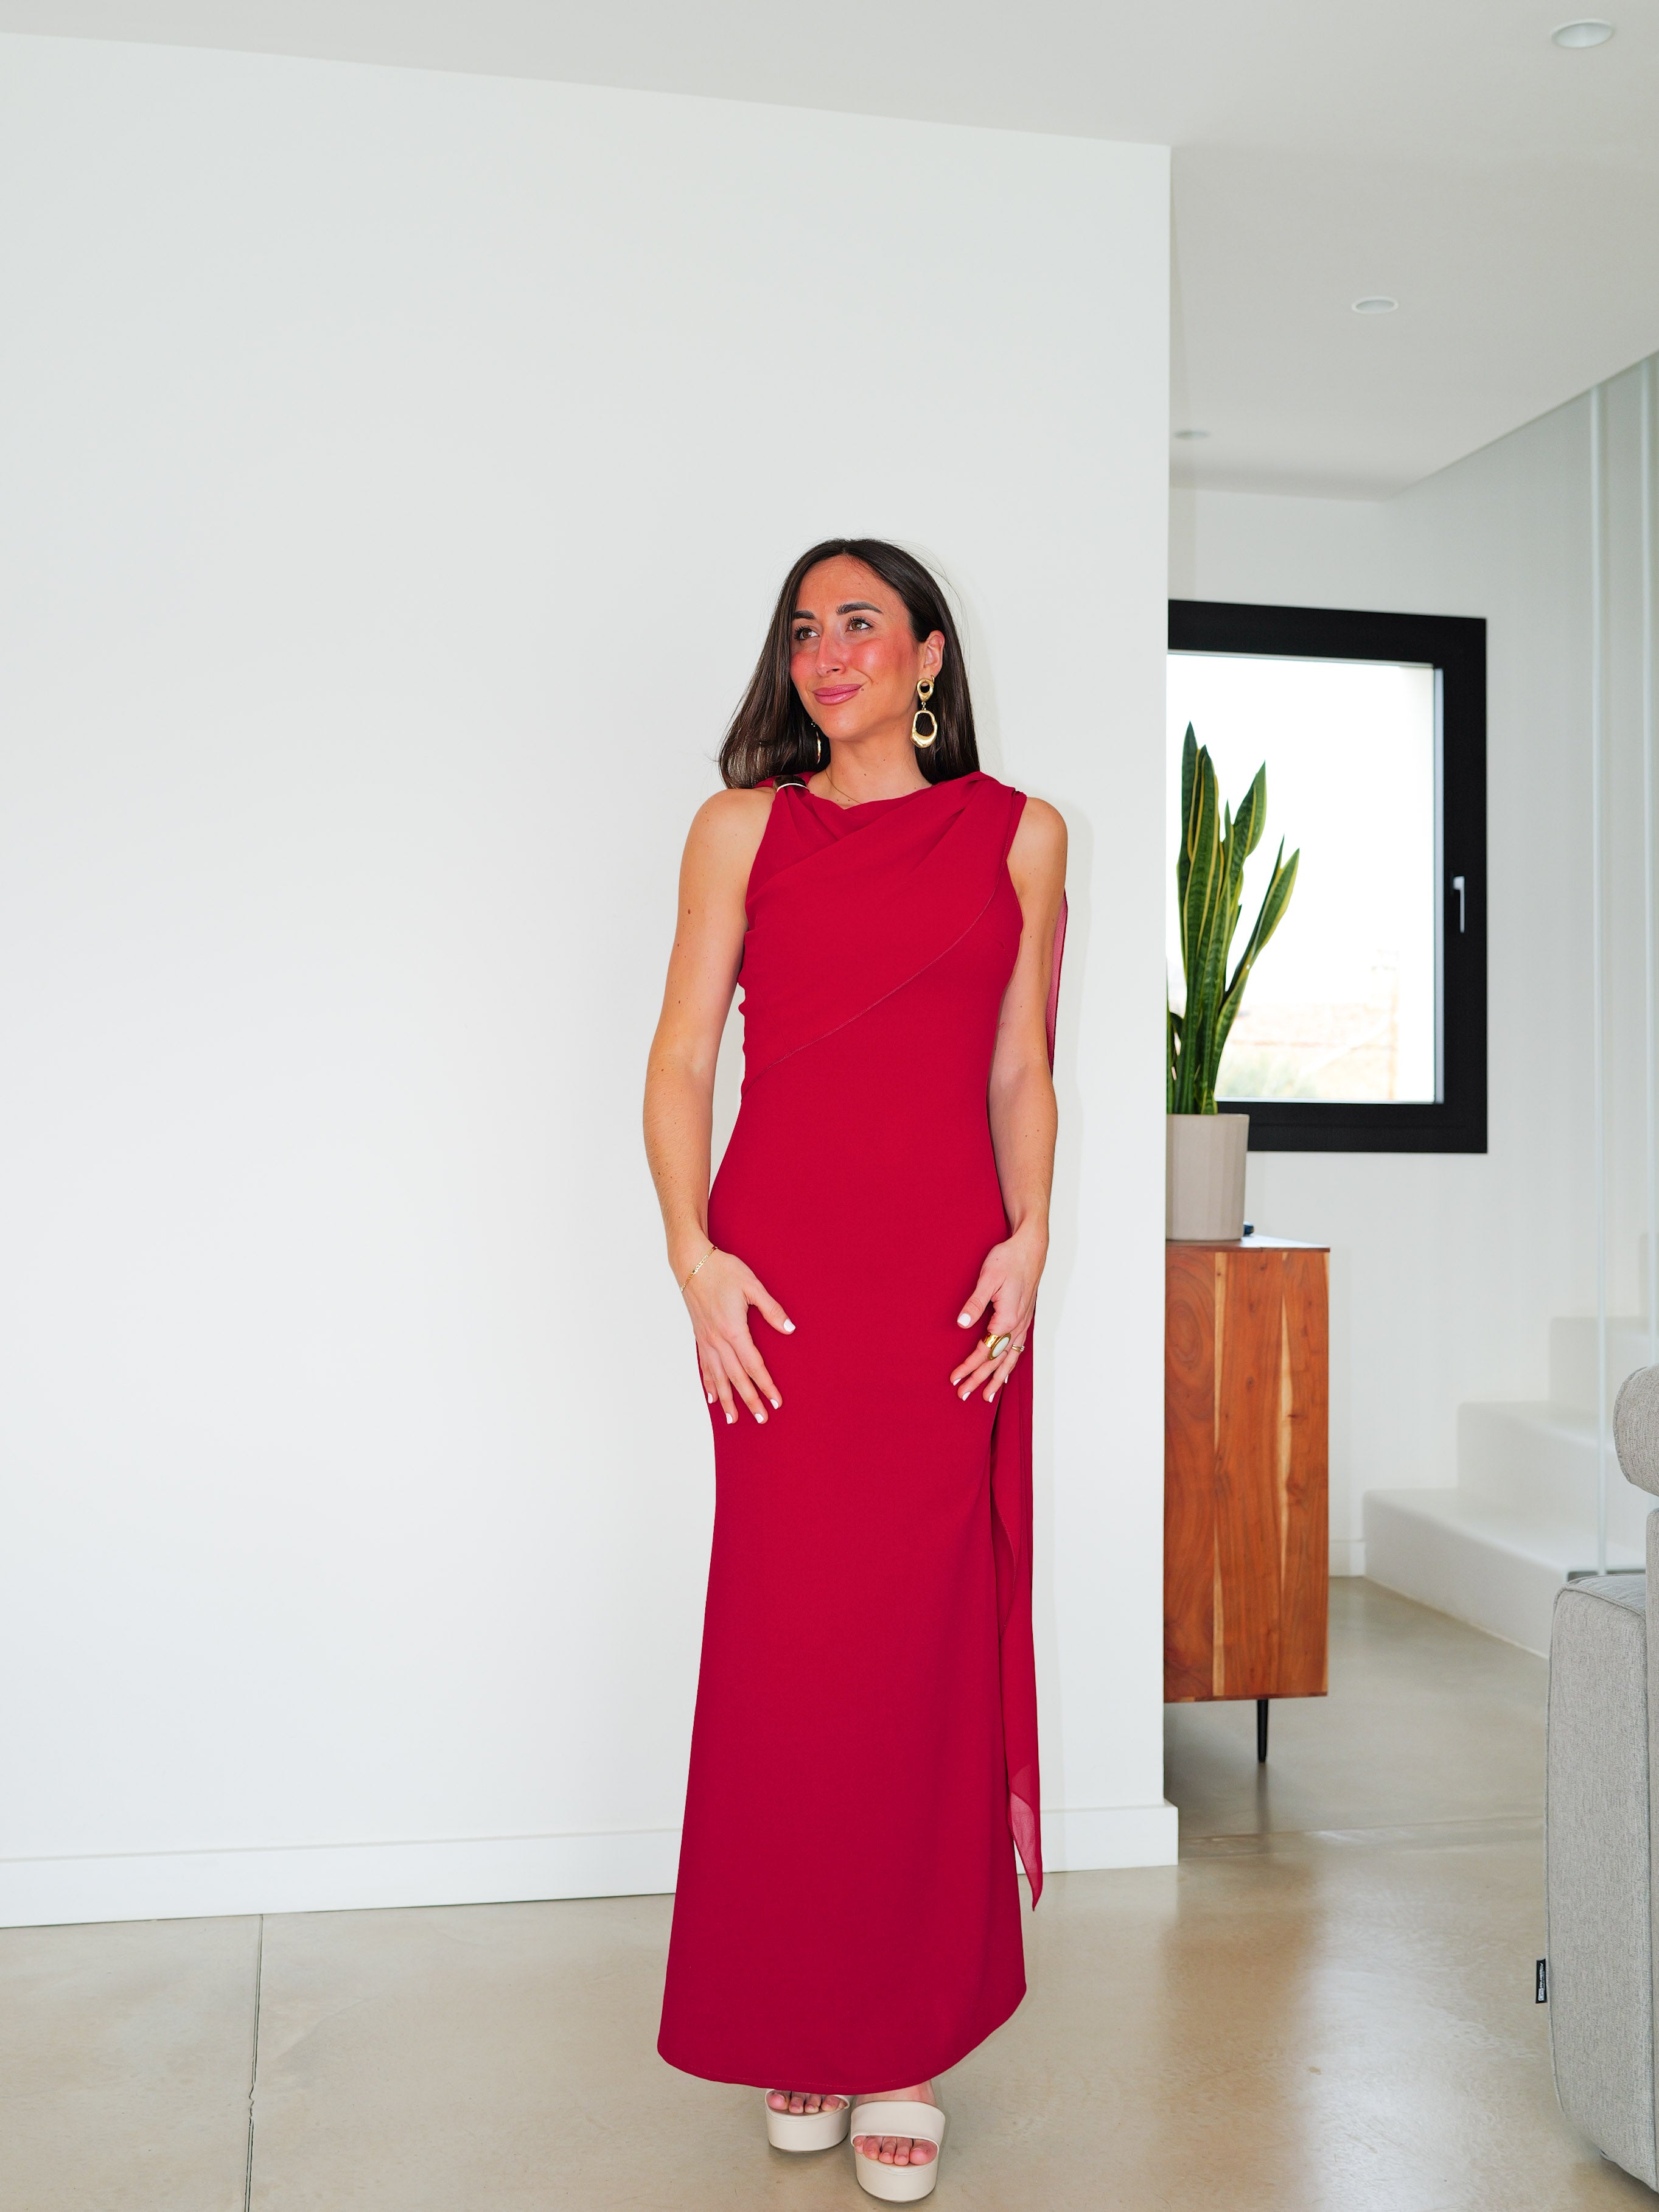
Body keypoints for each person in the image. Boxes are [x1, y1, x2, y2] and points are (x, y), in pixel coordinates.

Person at [643, 537, 1066, 2201]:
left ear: (929, 655)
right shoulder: (740, 829)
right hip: (786, 1298)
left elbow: (1022, 1065)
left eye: (862, 624)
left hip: (948, 1295)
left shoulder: (1022, 834)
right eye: (806, 630)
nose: (828, 653)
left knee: (926, 1652)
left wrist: (1032, 1238)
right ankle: (798, 2008)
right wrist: (695, 1257)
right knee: (791, 1654)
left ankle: (902, 2040)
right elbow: (683, 1059)